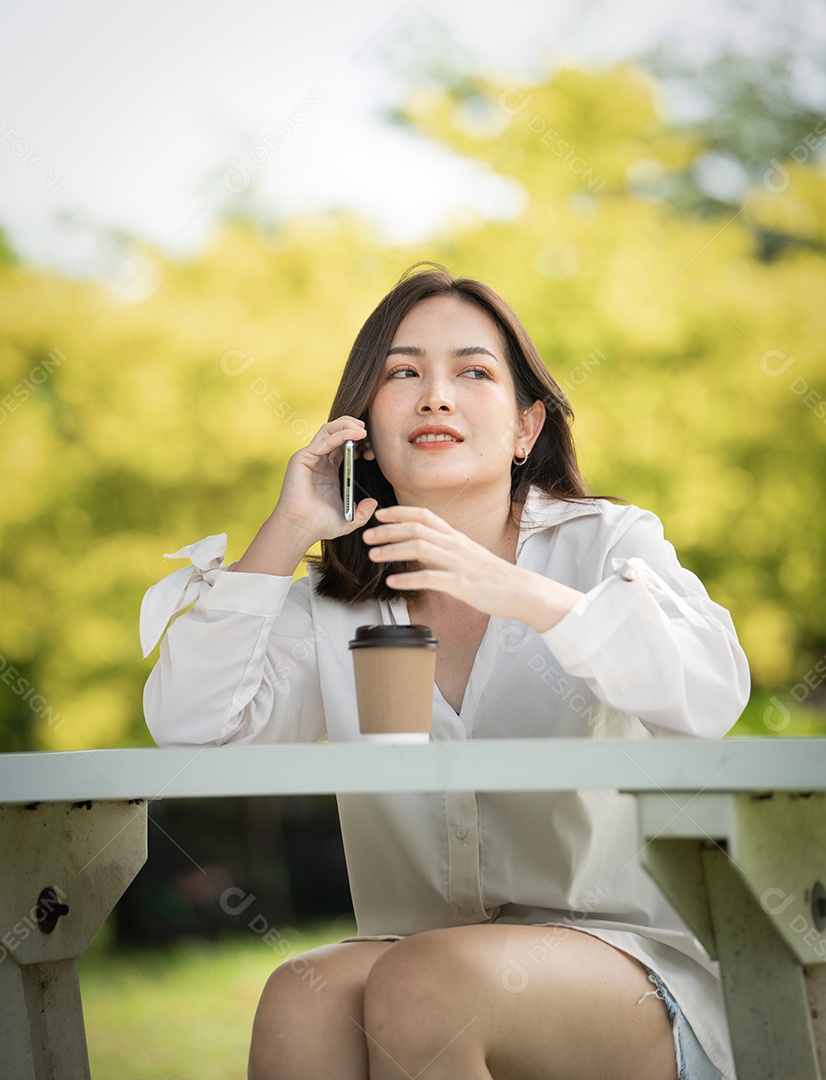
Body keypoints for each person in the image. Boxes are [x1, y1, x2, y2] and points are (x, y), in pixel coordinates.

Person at [141, 265, 750, 1080]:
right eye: (402, 373)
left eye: (473, 370)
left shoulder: (607, 544)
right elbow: (194, 733)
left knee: (428, 983)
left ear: (528, 428)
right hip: (412, 950)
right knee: (302, 993)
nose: (435, 395)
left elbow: (713, 691)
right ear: (363, 425)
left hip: (623, 964)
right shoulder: (336, 600)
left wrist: (517, 591)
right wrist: (285, 532)